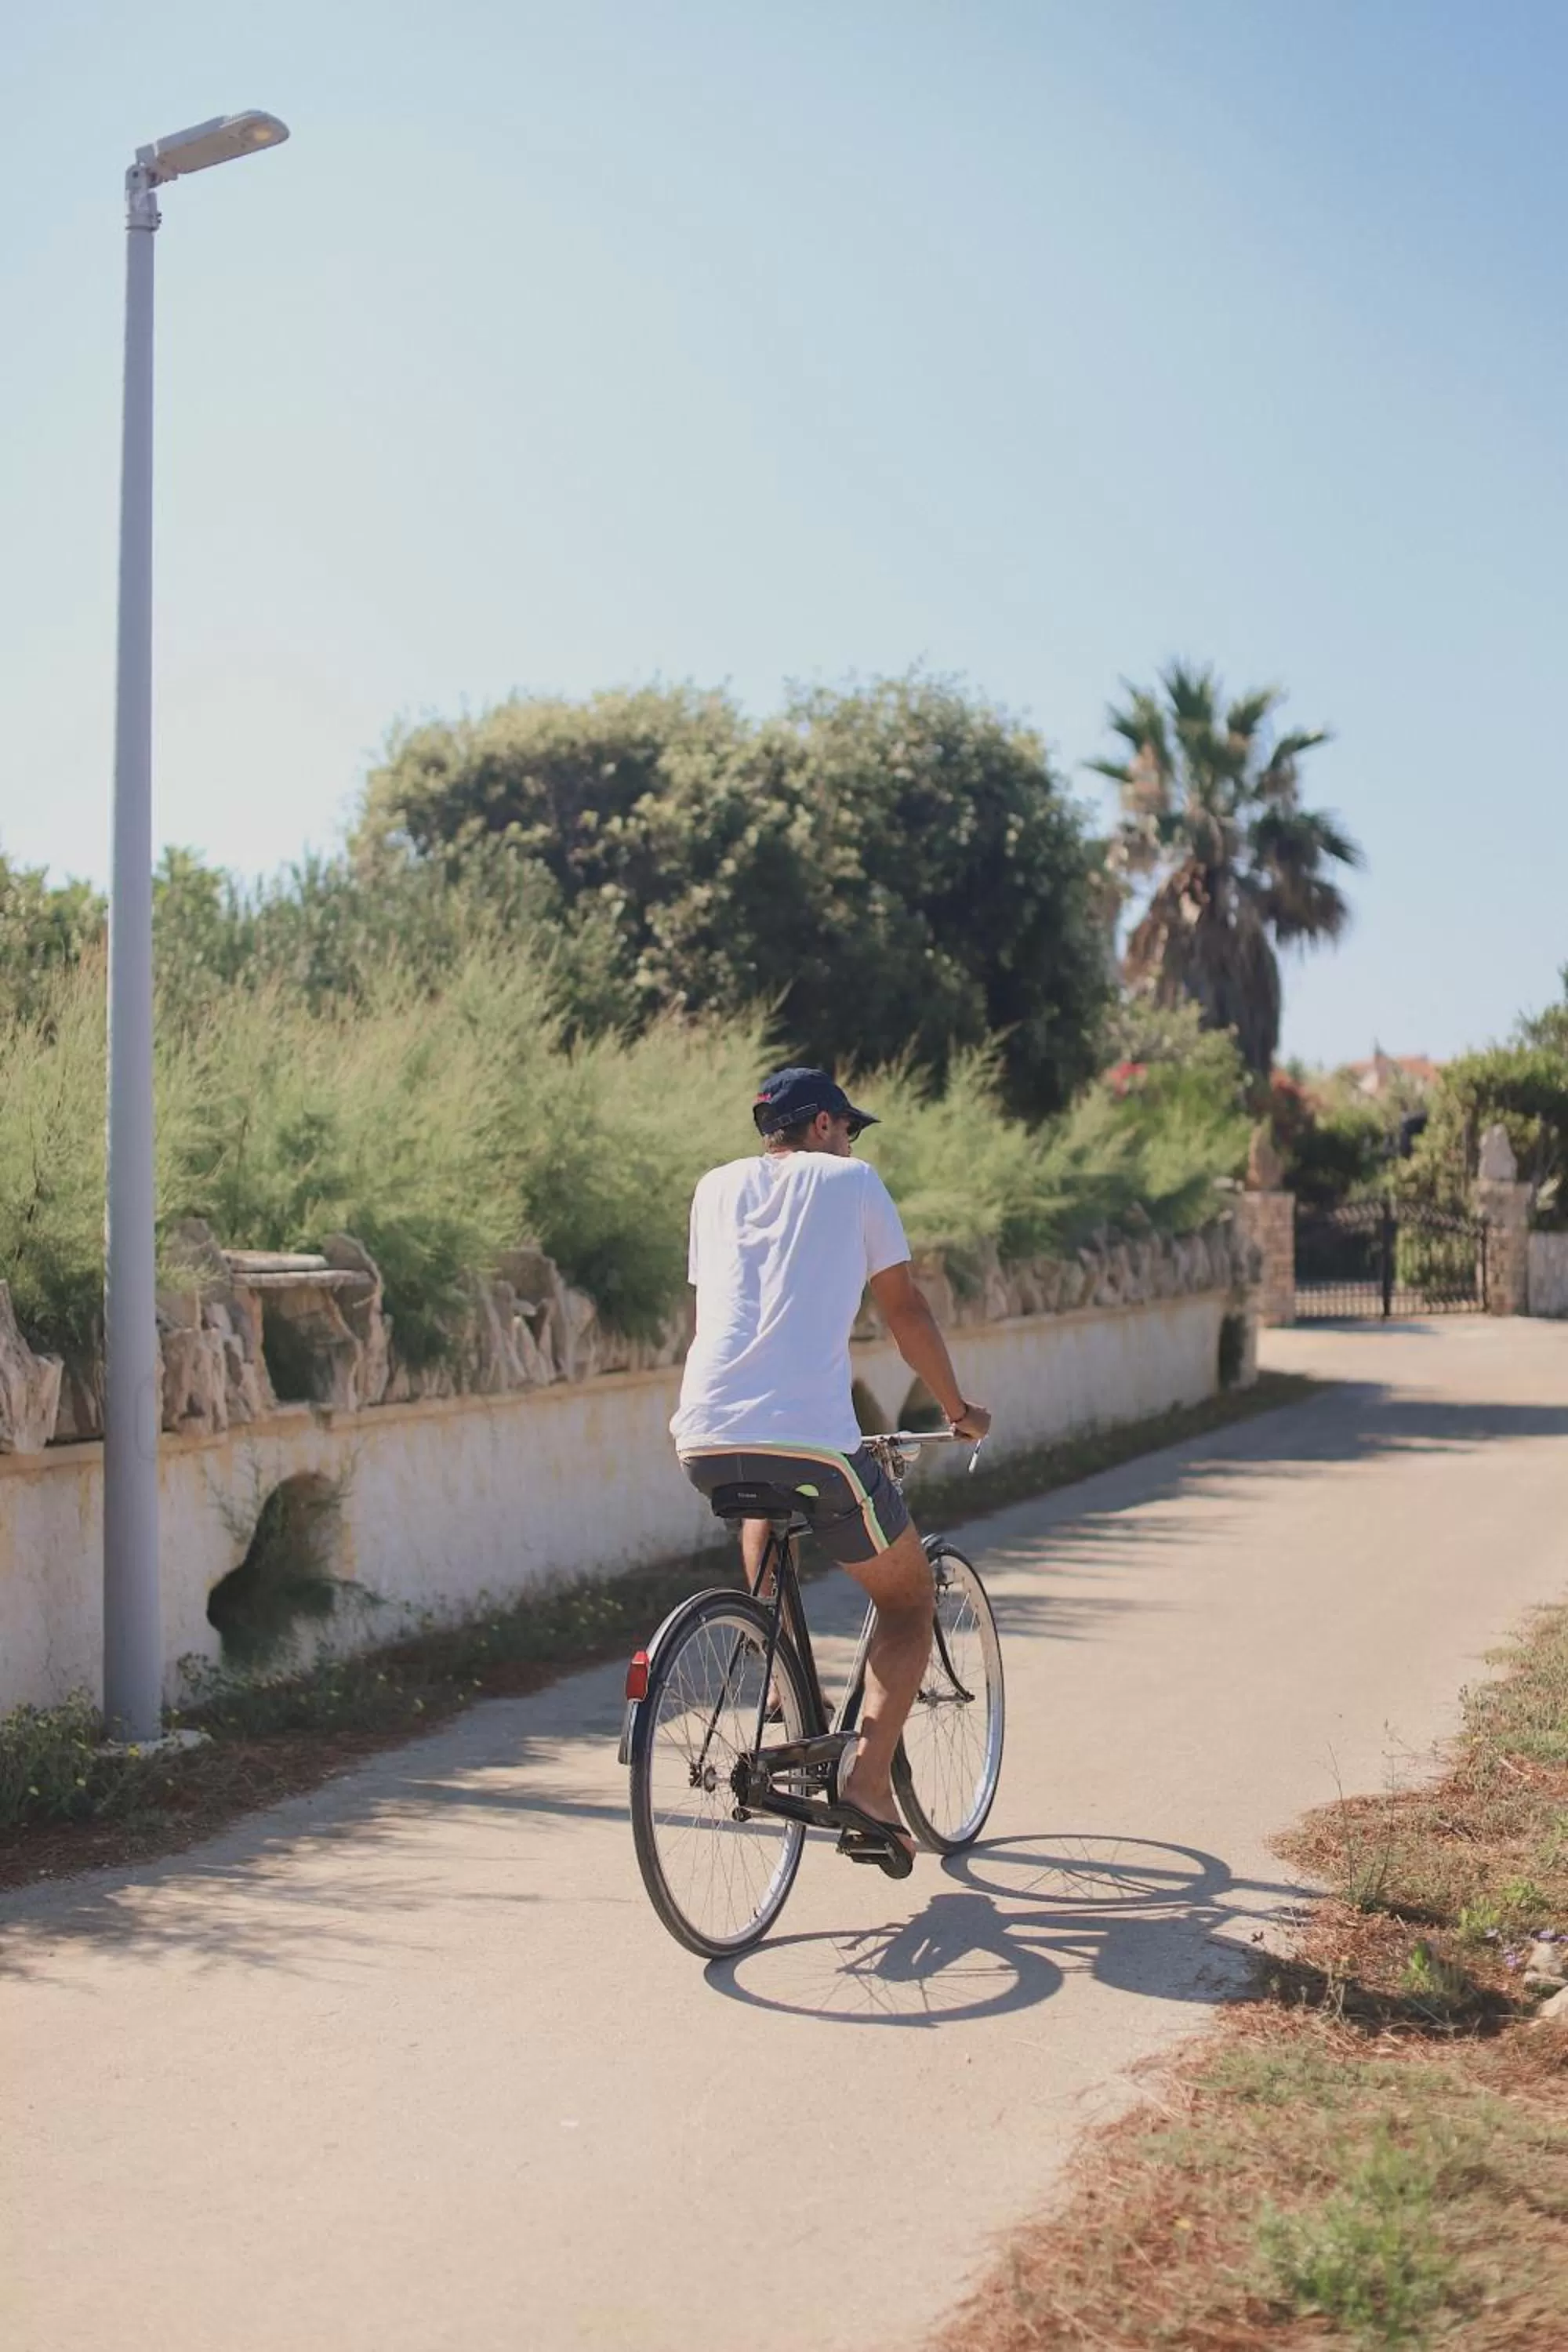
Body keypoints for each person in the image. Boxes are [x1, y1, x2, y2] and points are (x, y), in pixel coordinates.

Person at [670, 1065, 992, 1876]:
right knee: (909, 1597)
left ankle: (776, 1667)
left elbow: (730, 1308)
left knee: (763, 1503)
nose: (850, 1140)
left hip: (704, 1436)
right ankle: (865, 1782)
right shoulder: (852, 1183)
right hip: (812, 1442)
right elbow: (903, 1310)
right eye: (846, 1125)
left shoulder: (712, 1188)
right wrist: (955, 1408)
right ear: (820, 1126)